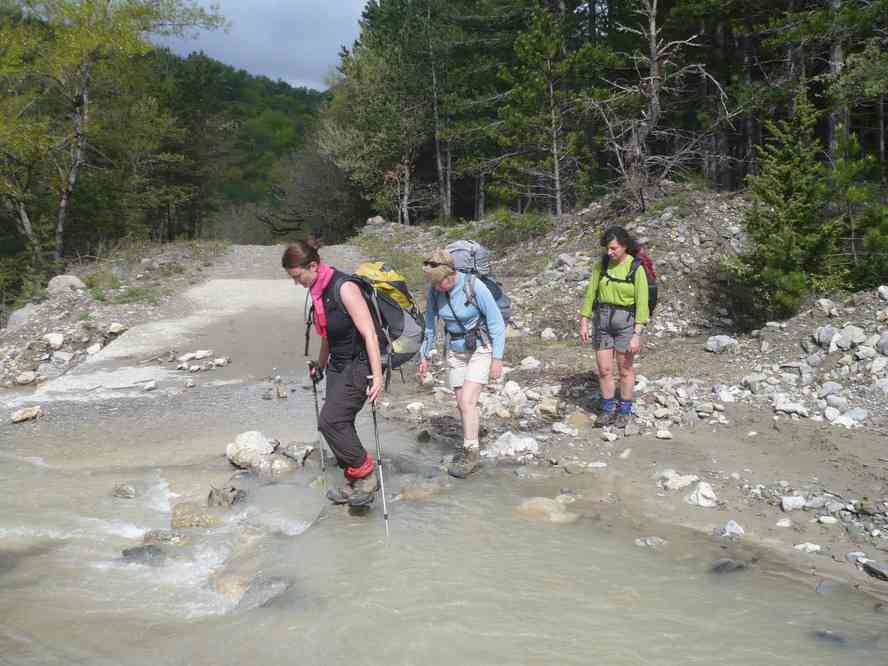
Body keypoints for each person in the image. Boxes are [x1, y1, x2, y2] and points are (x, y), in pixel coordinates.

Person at [282, 241, 384, 507]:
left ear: (313, 266)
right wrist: (321, 363)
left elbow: (369, 333)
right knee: (341, 421)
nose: (297, 283)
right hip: (338, 364)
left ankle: (366, 475)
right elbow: (328, 334)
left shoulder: (344, 287)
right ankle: (355, 482)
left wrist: (378, 375)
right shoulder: (319, 290)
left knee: (330, 421)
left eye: (297, 276)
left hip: (359, 364)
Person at [417, 249, 506, 478]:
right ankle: (471, 440)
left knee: (467, 401)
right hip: (455, 350)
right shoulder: (435, 290)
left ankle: (471, 453)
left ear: (451, 275)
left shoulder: (474, 286)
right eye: (433, 285)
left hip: (480, 347)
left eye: (439, 284)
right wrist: (423, 355)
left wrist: (497, 358)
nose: (436, 288)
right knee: (463, 404)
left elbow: (496, 322)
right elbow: (429, 324)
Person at [578, 226, 649, 428]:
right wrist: (584, 320)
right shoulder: (601, 265)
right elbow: (591, 293)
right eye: (608, 248)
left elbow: (642, 304)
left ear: (624, 246)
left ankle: (624, 410)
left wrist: (636, 334)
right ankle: (607, 409)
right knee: (604, 369)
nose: (609, 252)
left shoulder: (636, 268)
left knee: (625, 370)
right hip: (602, 321)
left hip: (626, 323)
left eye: (613, 248)